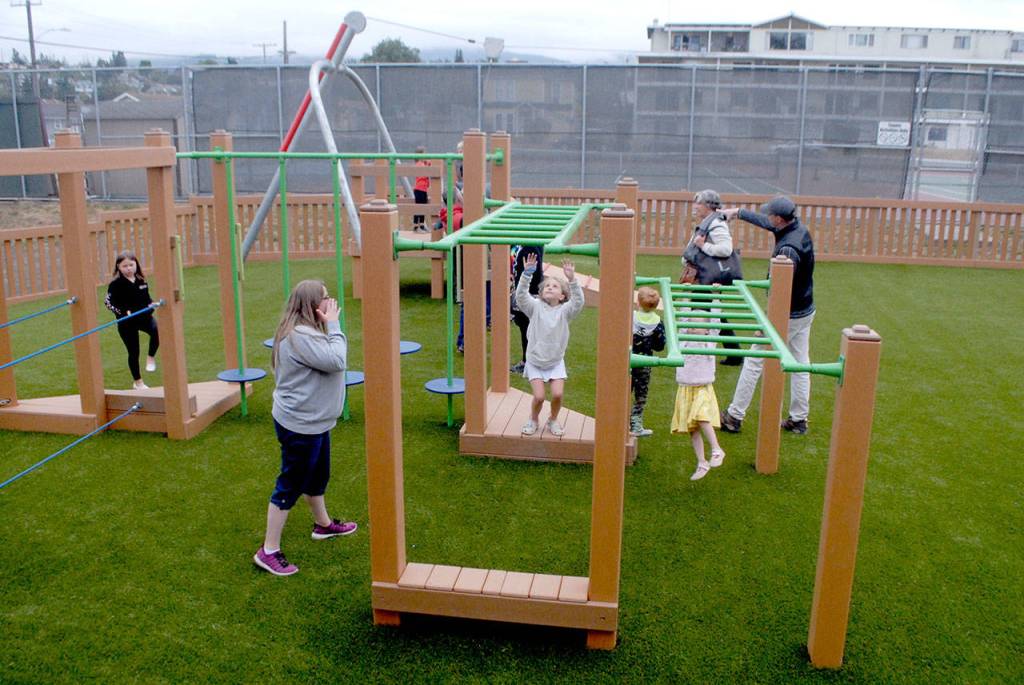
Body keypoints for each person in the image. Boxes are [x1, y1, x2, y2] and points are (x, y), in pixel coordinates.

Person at [253, 280, 357, 577]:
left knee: (318, 474)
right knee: (291, 484)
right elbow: (337, 360)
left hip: (314, 422)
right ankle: (268, 549)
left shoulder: (307, 332)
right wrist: (335, 326)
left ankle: (323, 525)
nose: (331, 302)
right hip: (300, 425)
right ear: (314, 305)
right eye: (326, 298)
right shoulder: (300, 336)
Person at [719, 196, 815, 435]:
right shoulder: (796, 227)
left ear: (780, 218)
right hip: (806, 309)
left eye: (771, 214)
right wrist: (737, 212)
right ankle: (799, 419)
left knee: (753, 361)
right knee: (801, 362)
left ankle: (734, 415)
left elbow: (779, 286)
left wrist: (771, 312)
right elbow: (765, 222)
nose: (768, 217)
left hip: (786, 313)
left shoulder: (787, 249)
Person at [514, 253, 584, 437]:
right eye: (547, 286)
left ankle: (552, 419)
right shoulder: (535, 307)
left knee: (558, 395)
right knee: (539, 396)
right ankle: (534, 419)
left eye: (555, 286)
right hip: (535, 360)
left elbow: (578, 302)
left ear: (562, 296)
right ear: (541, 292)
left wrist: (572, 280)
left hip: (555, 361)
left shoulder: (565, 311)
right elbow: (520, 296)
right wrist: (526, 274)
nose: (550, 288)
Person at [682, 189, 741, 364]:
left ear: (709, 205)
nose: (695, 207)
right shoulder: (710, 221)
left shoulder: (716, 224)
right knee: (714, 315)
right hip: (704, 276)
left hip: (707, 277)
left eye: (698, 203)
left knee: (700, 314)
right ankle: (734, 354)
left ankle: (697, 353)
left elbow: (726, 249)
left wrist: (703, 246)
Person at [671, 320, 725, 481]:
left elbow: (716, 321)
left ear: (708, 330)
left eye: (698, 324)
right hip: (686, 388)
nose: (693, 326)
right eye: (691, 323)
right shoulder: (683, 340)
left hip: (703, 387)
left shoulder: (709, 342)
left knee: (701, 416)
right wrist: (685, 298)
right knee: (692, 428)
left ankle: (717, 449)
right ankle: (702, 462)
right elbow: (680, 320)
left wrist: (716, 295)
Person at [104, 250, 159, 390]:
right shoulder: (116, 284)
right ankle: (138, 382)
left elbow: (147, 299)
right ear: (118, 268)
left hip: (144, 318)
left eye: (131, 265)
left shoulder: (141, 280)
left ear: (136, 265)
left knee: (157, 330)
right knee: (134, 352)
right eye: (124, 266)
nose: (129, 268)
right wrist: (123, 313)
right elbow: (108, 303)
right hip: (126, 323)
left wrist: (151, 306)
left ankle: (151, 357)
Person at [629, 286, 666, 437]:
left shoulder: (630, 317)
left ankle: (618, 420)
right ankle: (636, 424)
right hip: (645, 363)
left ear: (638, 302)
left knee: (625, 390)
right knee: (641, 394)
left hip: (628, 360)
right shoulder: (658, 323)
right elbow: (659, 346)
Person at [509, 243, 544, 374]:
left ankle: (528, 362)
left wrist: (529, 295)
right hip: (524, 292)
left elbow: (536, 274)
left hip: (528, 295)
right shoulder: (522, 246)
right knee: (525, 329)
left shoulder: (530, 247)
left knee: (527, 330)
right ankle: (528, 361)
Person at [412, 145, 431, 233]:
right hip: (419, 189)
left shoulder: (424, 164)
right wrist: (427, 166)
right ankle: (416, 226)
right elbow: (423, 174)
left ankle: (422, 225)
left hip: (424, 189)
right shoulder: (419, 164)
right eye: (424, 154)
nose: (425, 156)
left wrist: (428, 163)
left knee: (423, 207)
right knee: (418, 207)